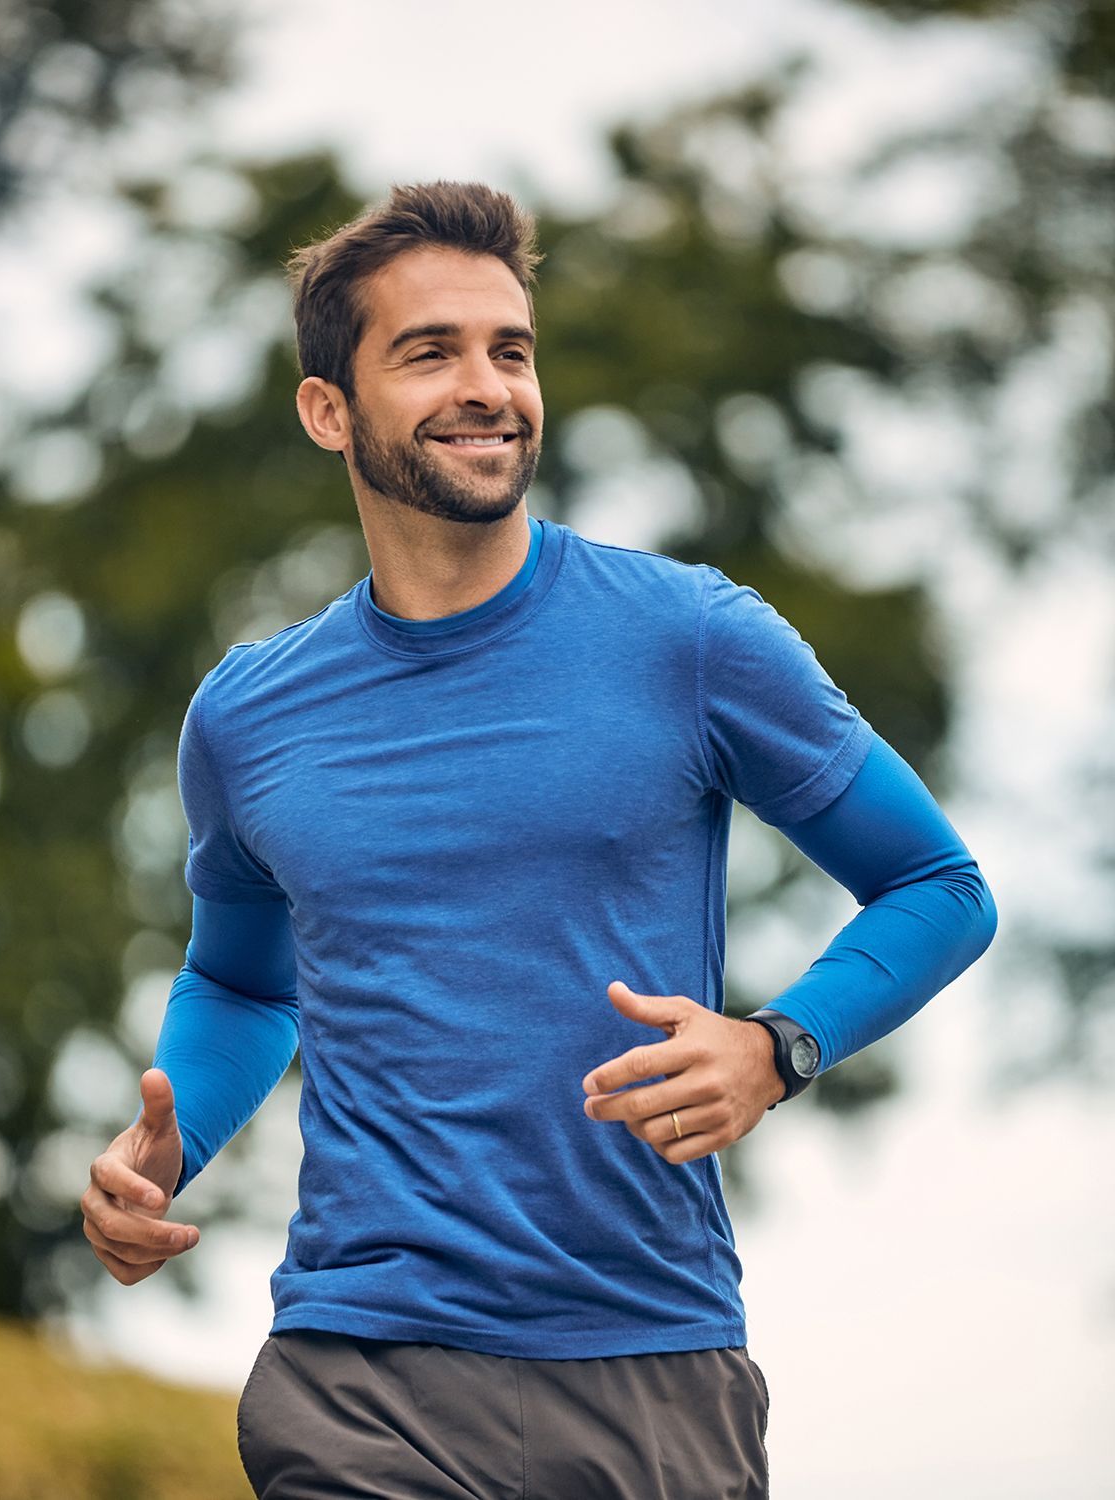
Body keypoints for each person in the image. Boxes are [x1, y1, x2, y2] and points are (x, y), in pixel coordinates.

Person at [80, 181, 997, 1499]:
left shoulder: (693, 638)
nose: (488, 386)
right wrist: (172, 1145)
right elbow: (241, 978)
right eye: (430, 351)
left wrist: (775, 1047)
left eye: (510, 349)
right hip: (359, 1369)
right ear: (328, 408)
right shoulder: (248, 713)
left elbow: (939, 886)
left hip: (649, 1363)